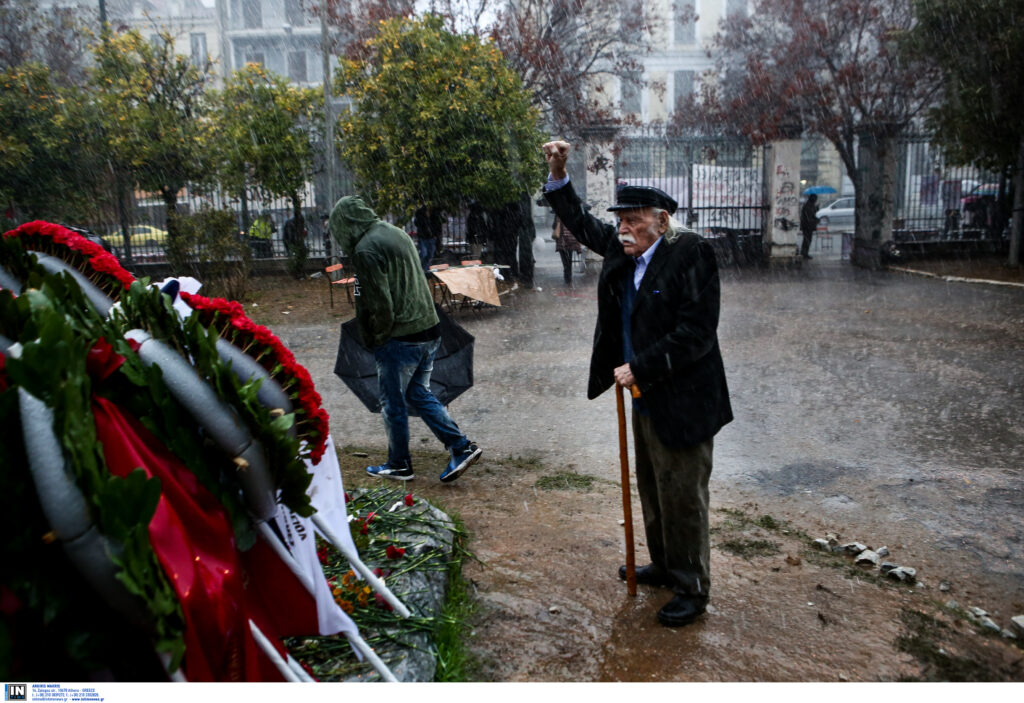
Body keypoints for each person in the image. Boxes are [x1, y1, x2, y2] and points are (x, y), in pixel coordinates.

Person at [541, 140, 733, 628]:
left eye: (633, 219)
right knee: (651, 485)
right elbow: (582, 222)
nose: (622, 229)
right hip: (643, 394)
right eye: (621, 220)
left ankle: (692, 588)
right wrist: (559, 171)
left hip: (684, 398)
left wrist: (641, 367)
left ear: (662, 221)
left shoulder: (691, 254)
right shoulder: (625, 250)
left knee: (683, 495)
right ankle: (665, 565)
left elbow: (697, 333)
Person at [329, 195, 482, 483]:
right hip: (429, 328)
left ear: (346, 225)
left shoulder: (365, 250)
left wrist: (375, 337)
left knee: (392, 402)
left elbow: (378, 303)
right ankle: (461, 447)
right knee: (417, 393)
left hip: (400, 337)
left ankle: (399, 464)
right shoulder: (394, 232)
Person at [552, 215, 582, 287]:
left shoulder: (558, 215)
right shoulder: (571, 215)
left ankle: (567, 279)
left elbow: (554, 226)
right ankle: (568, 278)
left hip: (562, 242)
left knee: (565, 262)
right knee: (568, 261)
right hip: (570, 242)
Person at [413, 206, 444, 271]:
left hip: (431, 238)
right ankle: (419, 268)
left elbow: (438, 225)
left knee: (430, 255)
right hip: (423, 238)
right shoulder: (421, 217)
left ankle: (424, 270)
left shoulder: (434, 216)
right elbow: (417, 223)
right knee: (424, 254)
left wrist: (435, 235)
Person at [283, 213, 308, 278]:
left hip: (292, 241)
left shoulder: (295, 223)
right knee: (293, 256)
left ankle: (299, 271)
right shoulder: (290, 223)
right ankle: (297, 272)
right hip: (290, 242)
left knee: (299, 255)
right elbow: (290, 236)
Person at [799, 194, 819, 259]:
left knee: (807, 240)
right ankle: (804, 253)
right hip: (807, 226)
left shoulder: (810, 205)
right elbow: (809, 217)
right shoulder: (808, 206)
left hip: (808, 226)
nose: (816, 200)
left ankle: (804, 253)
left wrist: (817, 208)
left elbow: (813, 213)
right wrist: (816, 220)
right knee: (807, 240)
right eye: (815, 199)